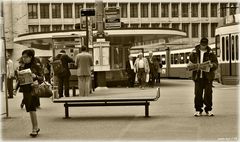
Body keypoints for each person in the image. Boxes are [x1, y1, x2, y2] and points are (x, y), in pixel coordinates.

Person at [189, 37, 218, 117]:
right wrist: (191, 66)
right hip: (198, 76)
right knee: (198, 94)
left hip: (208, 77)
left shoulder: (211, 53)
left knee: (208, 94)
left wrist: (212, 65)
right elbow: (190, 62)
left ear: (207, 44)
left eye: (205, 45)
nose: (203, 46)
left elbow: (216, 64)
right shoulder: (194, 52)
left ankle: (208, 109)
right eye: (202, 45)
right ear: (200, 43)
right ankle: (198, 110)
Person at [19, 49, 44, 137]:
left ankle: (35, 128)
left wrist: (35, 76)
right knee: (29, 108)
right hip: (25, 89)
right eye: (23, 57)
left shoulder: (36, 65)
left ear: (31, 57)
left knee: (32, 108)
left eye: (26, 57)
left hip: (33, 88)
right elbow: (19, 78)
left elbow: (42, 78)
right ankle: (35, 128)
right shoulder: (22, 66)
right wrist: (16, 87)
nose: (24, 59)